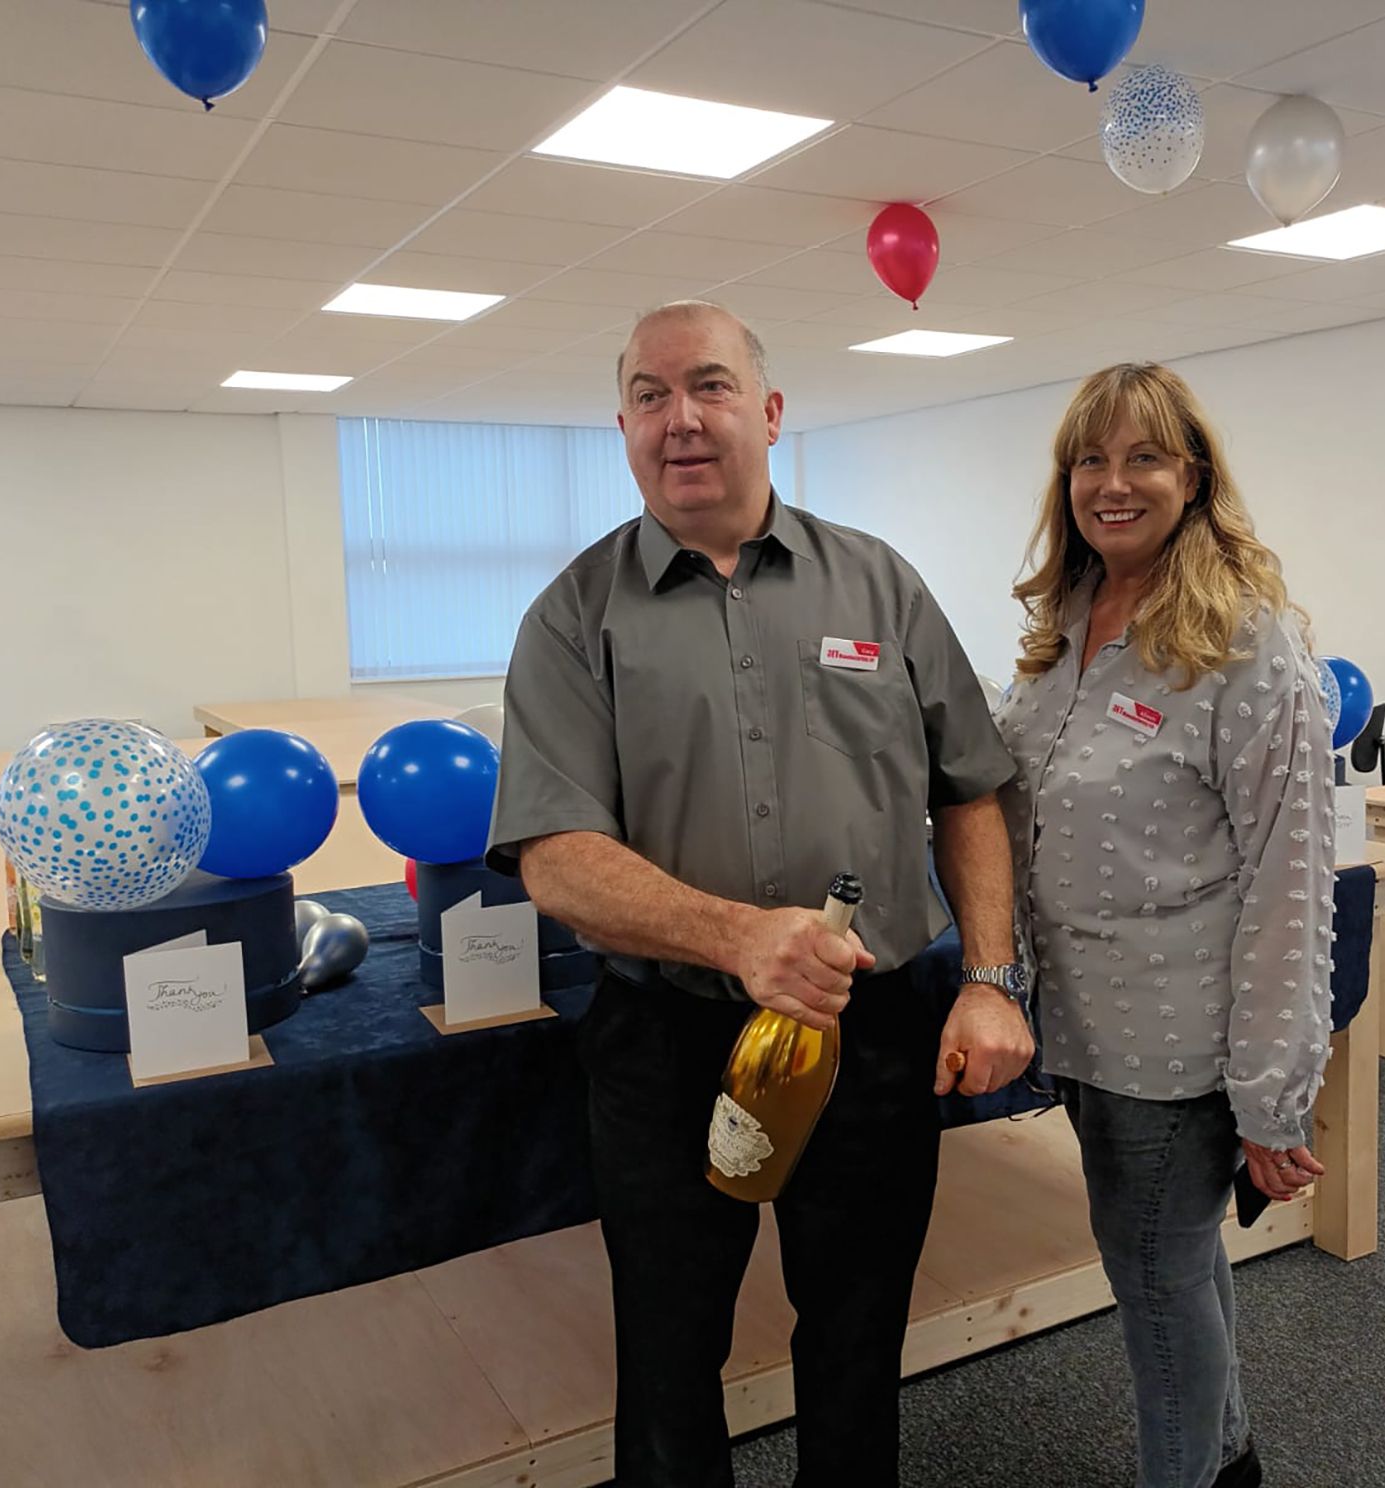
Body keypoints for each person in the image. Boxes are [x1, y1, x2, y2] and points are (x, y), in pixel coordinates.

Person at [486, 300, 1033, 1488]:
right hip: (668, 1042)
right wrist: (741, 938)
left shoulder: (880, 587)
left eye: (712, 386)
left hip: (874, 1033)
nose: (681, 419)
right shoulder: (574, 619)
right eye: (650, 394)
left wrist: (990, 979)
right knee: (670, 1354)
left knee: (857, 1332)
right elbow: (556, 854)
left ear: (770, 412)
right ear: (623, 423)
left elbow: (973, 789)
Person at [997, 362, 1337, 1488]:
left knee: (1151, 1279)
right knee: (1178, 1265)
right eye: (1090, 458)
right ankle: (1230, 1461)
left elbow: (1291, 885)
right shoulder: (1066, 623)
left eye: (1144, 455)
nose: (1113, 481)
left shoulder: (1245, 645)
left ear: (1193, 474)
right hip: (1081, 1023)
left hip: (1176, 1047)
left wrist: (1272, 1094)